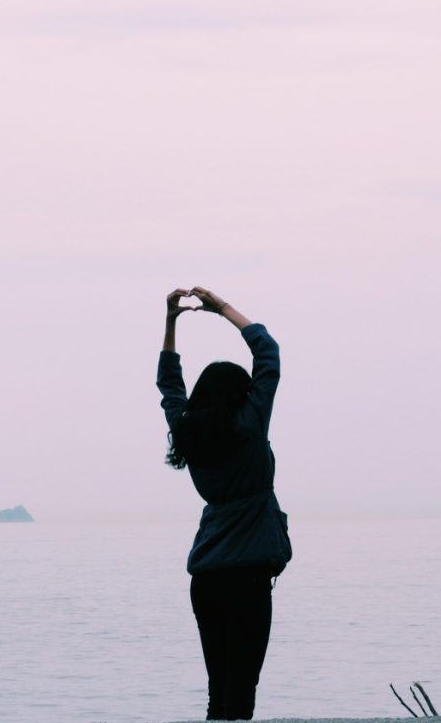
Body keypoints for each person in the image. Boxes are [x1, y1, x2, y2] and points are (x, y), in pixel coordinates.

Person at [157, 286, 292, 721]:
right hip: (248, 579)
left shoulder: (187, 430)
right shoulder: (249, 426)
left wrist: (171, 320)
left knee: (219, 692)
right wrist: (223, 310)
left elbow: (170, 385)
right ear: (242, 395)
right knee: (242, 692)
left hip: (207, 579)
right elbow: (267, 352)